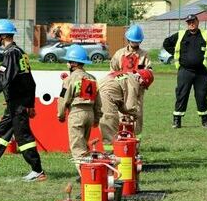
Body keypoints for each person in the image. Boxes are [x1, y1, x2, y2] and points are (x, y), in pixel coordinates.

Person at [0, 19, 46, 182]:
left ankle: (38, 171)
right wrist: (30, 104)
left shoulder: (11, 53)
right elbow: (30, 81)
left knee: (23, 138)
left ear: (2, 36)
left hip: (18, 105)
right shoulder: (20, 53)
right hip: (16, 103)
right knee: (1, 133)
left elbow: (3, 79)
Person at [163, 14, 207, 129]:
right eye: (189, 22)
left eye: (193, 21)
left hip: (201, 72)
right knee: (181, 95)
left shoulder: (206, 35)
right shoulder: (181, 35)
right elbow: (166, 43)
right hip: (185, 71)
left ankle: (205, 120)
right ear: (187, 24)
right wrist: (177, 55)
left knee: (201, 96)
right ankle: (177, 121)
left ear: (197, 21)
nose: (191, 23)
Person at [57, 45, 102, 176]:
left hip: (76, 113)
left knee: (77, 149)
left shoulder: (69, 79)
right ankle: (90, 173)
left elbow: (63, 99)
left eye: (69, 61)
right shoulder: (92, 78)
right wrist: (97, 118)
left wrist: (60, 115)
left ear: (74, 63)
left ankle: (88, 177)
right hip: (90, 114)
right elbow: (98, 101)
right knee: (84, 147)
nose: (67, 64)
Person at [109, 24, 152, 137]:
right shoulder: (119, 54)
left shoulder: (144, 55)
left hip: (137, 91)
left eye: (137, 41)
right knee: (121, 115)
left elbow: (149, 73)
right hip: (121, 90)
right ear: (128, 39)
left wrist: (144, 80)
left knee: (136, 115)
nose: (135, 43)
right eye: (133, 41)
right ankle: (121, 140)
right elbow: (112, 72)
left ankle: (135, 143)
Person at [98, 70, 154, 146]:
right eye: (143, 84)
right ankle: (110, 153)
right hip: (107, 97)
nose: (142, 87)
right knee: (110, 125)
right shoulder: (134, 82)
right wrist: (135, 115)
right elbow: (130, 106)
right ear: (139, 77)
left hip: (100, 92)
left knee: (107, 124)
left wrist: (125, 112)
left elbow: (123, 105)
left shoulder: (127, 75)